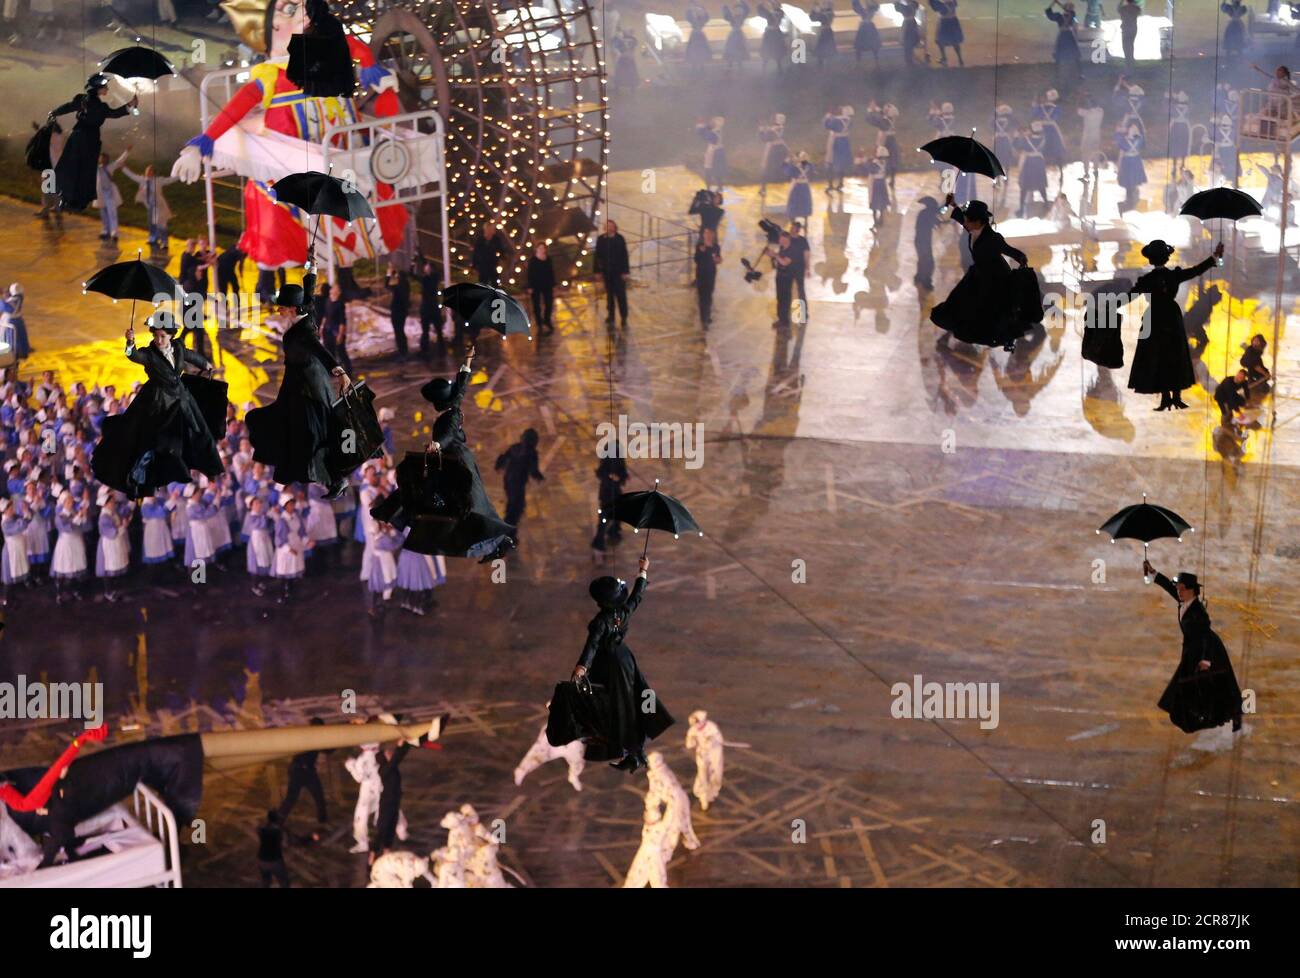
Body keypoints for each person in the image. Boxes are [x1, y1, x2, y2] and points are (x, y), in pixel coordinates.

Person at [370, 346, 516, 560]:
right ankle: (493, 542)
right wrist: (467, 362)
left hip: (457, 464)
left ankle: (495, 542)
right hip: (459, 461)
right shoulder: (454, 405)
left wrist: (437, 444)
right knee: (474, 505)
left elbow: (447, 434)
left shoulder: (448, 417)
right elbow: (461, 387)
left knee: (466, 504)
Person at [547, 557, 675, 772]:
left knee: (614, 708)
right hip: (626, 660)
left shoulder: (600, 622)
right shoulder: (623, 612)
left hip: (608, 665)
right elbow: (637, 596)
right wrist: (642, 572)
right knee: (638, 699)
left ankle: (624, 749)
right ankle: (637, 751)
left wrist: (582, 666)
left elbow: (593, 645)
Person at [92, 312, 224, 498]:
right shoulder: (149, 354)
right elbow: (133, 355)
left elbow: (190, 355)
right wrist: (130, 343)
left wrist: (206, 364)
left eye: (163, 336)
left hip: (182, 398)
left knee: (199, 429)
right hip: (160, 403)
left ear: (171, 335)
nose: (159, 340)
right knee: (155, 443)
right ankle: (141, 477)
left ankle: (209, 467)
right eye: (156, 335)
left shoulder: (177, 346)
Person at [246, 272, 352, 496]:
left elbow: (321, 351)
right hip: (297, 387)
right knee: (298, 432)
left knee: (310, 435)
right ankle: (334, 478)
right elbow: (309, 296)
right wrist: (310, 269)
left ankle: (334, 478)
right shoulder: (306, 314)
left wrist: (339, 371)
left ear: (293, 309)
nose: (278, 310)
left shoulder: (303, 331)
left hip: (307, 390)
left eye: (282, 307)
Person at [1142, 562, 1244, 734]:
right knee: (1196, 683)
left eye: (1182, 589)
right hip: (1193, 650)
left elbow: (1204, 635)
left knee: (1218, 683)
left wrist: (1205, 659)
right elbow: (1169, 587)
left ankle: (1231, 716)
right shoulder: (1185, 601)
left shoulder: (1198, 612)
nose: (1178, 592)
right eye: (1178, 589)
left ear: (1192, 590)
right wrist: (1153, 573)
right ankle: (1194, 716)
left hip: (1208, 650)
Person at [1128, 240, 1223, 411]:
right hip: (1172, 318)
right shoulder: (1174, 276)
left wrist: (1109, 305)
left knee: (1160, 359)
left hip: (1155, 319)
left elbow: (1129, 296)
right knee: (1176, 356)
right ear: (1166, 258)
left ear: (1151, 260)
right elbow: (1196, 271)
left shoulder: (1147, 280)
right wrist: (1215, 257)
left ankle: (1166, 398)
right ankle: (1176, 397)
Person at [930, 197, 1029, 351]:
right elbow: (961, 216)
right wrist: (953, 203)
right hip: (978, 274)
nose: (965, 223)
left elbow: (1008, 250)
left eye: (968, 221)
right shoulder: (973, 227)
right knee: (958, 301)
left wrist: (1021, 258)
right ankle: (955, 328)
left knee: (998, 309)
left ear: (979, 222)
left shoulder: (992, 238)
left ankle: (1008, 339)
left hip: (996, 277)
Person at [47, 74, 137, 212]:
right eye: (105, 86)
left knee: (71, 168)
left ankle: (67, 199)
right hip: (89, 141)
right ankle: (75, 202)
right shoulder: (99, 106)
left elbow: (68, 107)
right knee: (85, 170)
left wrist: (54, 112)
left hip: (77, 138)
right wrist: (130, 105)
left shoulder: (83, 100)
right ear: (98, 88)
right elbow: (113, 113)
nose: (107, 88)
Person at [514, 720, 585, 791]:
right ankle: (522, 770)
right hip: (557, 734)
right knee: (539, 753)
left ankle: (573, 776)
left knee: (577, 761)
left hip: (573, 743)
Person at [495, 428, 544, 529]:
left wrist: (499, 465)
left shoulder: (515, 447)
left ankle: (509, 525)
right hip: (517, 482)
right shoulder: (532, 453)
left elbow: (504, 457)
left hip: (509, 480)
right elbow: (533, 469)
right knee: (517, 505)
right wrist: (538, 476)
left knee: (513, 502)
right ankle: (508, 528)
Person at [121, 163, 176, 251]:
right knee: (152, 223)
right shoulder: (143, 180)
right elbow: (132, 176)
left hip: (159, 206)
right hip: (150, 206)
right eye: (147, 171)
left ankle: (164, 242)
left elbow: (170, 180)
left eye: (150, 171)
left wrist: (182, 175)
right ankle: (154, 238)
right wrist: (124, 168)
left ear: (153, 173)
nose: (148, 172)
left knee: (160, 224)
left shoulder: (158, 180)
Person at [685, 710, 725, 810]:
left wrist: (712, 739)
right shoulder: (693, 730)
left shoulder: (712, 727)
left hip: (714, 753)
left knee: (716, 773)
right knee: (702, 773)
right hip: (702, 754)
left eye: (697, 723)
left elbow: (720, 740)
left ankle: (713, 792)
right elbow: (689, 744)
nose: (695, 725)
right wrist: (692, 739)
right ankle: (703, 796)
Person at [594, 220, 630, 327]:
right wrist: (597, 271)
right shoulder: (601, 239)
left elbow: (624, 256)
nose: (609, 228)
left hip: (619, 273)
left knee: (621, 296)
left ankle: (624, 316)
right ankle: (611, 315)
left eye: (611, 226)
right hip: (607, 272)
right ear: (604, 228)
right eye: (607, 226)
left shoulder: (620, 239)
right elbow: (597, 256)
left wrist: (625, 272)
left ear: (615, 227)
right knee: (609, 296)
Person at [590, 451, 627, 554]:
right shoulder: (607, 463)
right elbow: (602, 474)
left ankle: (613, 532)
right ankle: (599, 541)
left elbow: (622, 475)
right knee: (604, 518)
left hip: (613, 493)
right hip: (607, 494)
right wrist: (611, 477)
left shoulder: (617, 461)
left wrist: (619, 478)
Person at [94, 147, 129, 242]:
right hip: (100, 194)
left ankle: (114, 232)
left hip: (109, 193)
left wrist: (126, 151)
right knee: (103, 213)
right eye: (101, 158)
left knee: (112, 212)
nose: (102, 160)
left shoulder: (110, 167)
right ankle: (106, 231)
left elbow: (119, 161)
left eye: (104, 158)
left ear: (107, 159)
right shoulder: (96, 168)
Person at [320, 283, 353, 376]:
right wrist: (322, 327)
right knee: (329, 352)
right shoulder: (327, 301)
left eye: (335, 288)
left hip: (336, 331)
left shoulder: (340, 304)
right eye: (332, 288)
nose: (332, 289)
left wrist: (340, 334)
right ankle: (332, 371)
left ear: (338, 292)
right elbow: (325, 315)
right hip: (327, 330)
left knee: (341, 352)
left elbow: (343, 321)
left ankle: (349, 371)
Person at [1044, 2, 1081, 85]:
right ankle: (1078, 73)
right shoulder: (1069, 15)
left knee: (1063, 54)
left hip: (1064, 35)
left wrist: (1054, 3)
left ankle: (1077, 73)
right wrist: (1055, 3)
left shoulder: (1061, 16)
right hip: (1068, 36)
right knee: (1072, 53)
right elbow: (1049, 13)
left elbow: (1048, 13)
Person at [913, 196, 942, 293]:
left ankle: (918, 277)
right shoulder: (928, 214)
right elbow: (937, 222)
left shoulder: (923, 213)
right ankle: (926, 282)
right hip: (923, 242)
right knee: (929, 262)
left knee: (922, 260)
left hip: (919, 241)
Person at [693, 226, 722, 326]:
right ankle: (703, 319)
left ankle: (707, 315)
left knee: (709, 295)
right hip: (701, 274)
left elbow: (719, 259)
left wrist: (718, 260)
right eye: (706, 234)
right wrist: (702, 251)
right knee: (702, 297)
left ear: (713, 236)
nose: (708, 236)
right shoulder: (699, 246)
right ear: (704, 236)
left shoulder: (716, 247)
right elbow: (696, 260)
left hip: (711, 274)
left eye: (710, 234)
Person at [1115, 123, 1146, 214]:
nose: (1133, 129)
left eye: (1135, 128)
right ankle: (1127, 205)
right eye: (1132, 128)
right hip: (1128, 163)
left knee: (1133, 184)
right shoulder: (1126, 141)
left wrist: (1124, 131)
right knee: (1129, 185)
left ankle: (1128, 205)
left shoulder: (1138, 140)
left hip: (1134, 163)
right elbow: (1118, 136)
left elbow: (1140, 138)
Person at [526, 243, 556, 335]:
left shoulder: (548, 259)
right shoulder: (533, 260)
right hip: (536, 285)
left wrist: (553, 284)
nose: (542, 250)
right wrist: (530, 286)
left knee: (549, 303)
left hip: (547, 285)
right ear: (536, 249)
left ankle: (547, 320)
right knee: (536, 305)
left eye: (543, 248)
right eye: (540, 248)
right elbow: (529, 274)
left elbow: (551, 272)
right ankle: (539, 323)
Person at [823, 106, 853, 193]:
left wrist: (827, 117)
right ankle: (840, 183)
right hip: (845, 141)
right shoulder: (849, 120)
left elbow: (827, 126)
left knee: (830, 162)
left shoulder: (835, 120)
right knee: (841, 163)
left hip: (835, 141)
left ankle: (830, 185)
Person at [417, 258, 444, 355]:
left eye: (427, 267)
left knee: (432, 329)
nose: (425, 268)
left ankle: (427, 349)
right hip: (432, 306)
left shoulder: (429, 279)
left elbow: (416, 276)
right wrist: (420, 255)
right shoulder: (433, 277)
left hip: (429, 307)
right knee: (432, 329)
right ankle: (438, 348)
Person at [758, 114, 790, 196]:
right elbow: (765, 139)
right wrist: (762, 131)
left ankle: (793, 186)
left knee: (787, 166)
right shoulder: (772, 128)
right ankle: (763, 188)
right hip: (773, 149)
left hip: (781, 149)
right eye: (779, 118)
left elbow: (783, 139)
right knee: (767, 168)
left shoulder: (782, 128)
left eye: (783, 118)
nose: (781, 120)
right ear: (776, 119)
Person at [257, 810, 290, 887]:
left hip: (261, 860)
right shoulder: (279, 831)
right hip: (274, 861)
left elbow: (259, 830)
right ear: (277, 820)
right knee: (284, 882)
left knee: (266, 881)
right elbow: (286, 845)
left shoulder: (261, 829)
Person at [0, 284, 32, 362]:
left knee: (12, 338)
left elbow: (6, 308)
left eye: (6, 292)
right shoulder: (19, 297)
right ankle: (22, 352)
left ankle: (14, 354)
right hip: (18, 321)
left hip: (11, 322)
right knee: (20, 337)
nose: (5, 294)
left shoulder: (11, 302)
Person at [385, 262, 410, 359]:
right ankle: (403, 350)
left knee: (398, 331)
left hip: (397, 311)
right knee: (400, 331)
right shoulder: (405, 285)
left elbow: (387, 285)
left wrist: (389, 274)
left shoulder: (399, 286)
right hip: (402, 311)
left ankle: (402, 351)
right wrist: (393, 273)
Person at [214, 246, 245, 324]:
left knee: (235, 287)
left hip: (229, 269)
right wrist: (241, 272)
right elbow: (241, 263)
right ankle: (224, 306)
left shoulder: (235, 248)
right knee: (224, 289)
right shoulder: (241, 252)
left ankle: (236, 304)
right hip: (222, 269)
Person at [696, 117, 727, 193]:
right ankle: (712, 187)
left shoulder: (715, 133)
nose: (710, 123)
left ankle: (715, 187)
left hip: (716, 153)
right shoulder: (714, 130)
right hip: (715, 151)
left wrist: (701, 126)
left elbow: (706, 135)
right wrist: (701, 125)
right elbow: (703, 131)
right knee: (711, 170)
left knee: (712, 170)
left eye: (713, 122)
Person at [931, 1, 964, 67]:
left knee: (941, 40)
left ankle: (945, 58)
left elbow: (943, 10)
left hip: (945, 22)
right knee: (954, 41)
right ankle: (959, 59)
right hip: (952, 21)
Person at [784, 152, 814, 223]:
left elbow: (787, 171)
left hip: (797, 188)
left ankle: (793, 219)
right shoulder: (810, 166)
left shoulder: (795, 167)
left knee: (794, 202)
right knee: (805, 202)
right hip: (805, 187)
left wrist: (787, 161)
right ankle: (805, 215)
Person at [1241, 333, 1272, 398]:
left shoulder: (1256, 350)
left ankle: (1254, 384)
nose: (1255, 342)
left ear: (1261, 343)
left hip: (1252, 372)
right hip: (1253, 372)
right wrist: (1266, 374)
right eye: (1254, 340)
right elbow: (1256, 367)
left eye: (1257, 341)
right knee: (1265, 389)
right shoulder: (1251, 351)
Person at [851, 1, 881, 67]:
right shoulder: (871, 9)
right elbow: (856, 6)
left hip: (865, 27)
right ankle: (876, 62)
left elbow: (856, 6)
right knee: (872, 45)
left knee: (861, 46)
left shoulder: (869, 10)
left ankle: (859, 62)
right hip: (868, 27)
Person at [684, 1, 712, 70]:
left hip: (699, 35)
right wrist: (692, 10)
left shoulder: (702, 17)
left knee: (701, 50)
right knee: (693, 50)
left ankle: (701, 65)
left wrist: (701, 11)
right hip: (695, 35)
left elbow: (706, 17)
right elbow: (688, 16)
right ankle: (694, 64)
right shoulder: (692, 17)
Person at [722, 2, 750, 68]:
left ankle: (739, 63)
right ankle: (730, 63)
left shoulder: (742, 17)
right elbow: (726, 15)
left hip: (739, 35)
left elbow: (747, 10)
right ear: (734, 11)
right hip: (733, 35)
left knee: (740, 49)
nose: (739, 11)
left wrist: (743, 2)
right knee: (731, 49)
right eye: (737, 10)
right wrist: (725, 7)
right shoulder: (732, 17)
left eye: (740, 10)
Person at [897, 0, 924, 67]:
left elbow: (898, 7)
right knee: (909, 42)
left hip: (909, 23)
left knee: (908, 42)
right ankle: (909, 60)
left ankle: (909, 60)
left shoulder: (909, 6)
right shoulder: (913, 5)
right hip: (910, 23)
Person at [1117, 0, 1140, 70]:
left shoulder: (1123, 8)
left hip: (1126, 28)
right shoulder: (1136, 8)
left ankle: (1128, 62)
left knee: (1126, 47)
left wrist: (1122, 1)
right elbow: (1139, 10)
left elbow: (1118, 9)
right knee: (1131, 44)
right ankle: (1131, 60)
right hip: (1133, 28)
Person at [812, 3, 837, 68]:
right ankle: (824, 64)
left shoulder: (828, 13)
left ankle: (823, 64)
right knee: (824, 48)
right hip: (826, 31)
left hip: (825, 31)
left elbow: (815, 18)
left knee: (823, 48)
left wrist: (815, 10)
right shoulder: (828, 12)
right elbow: (814, 18)